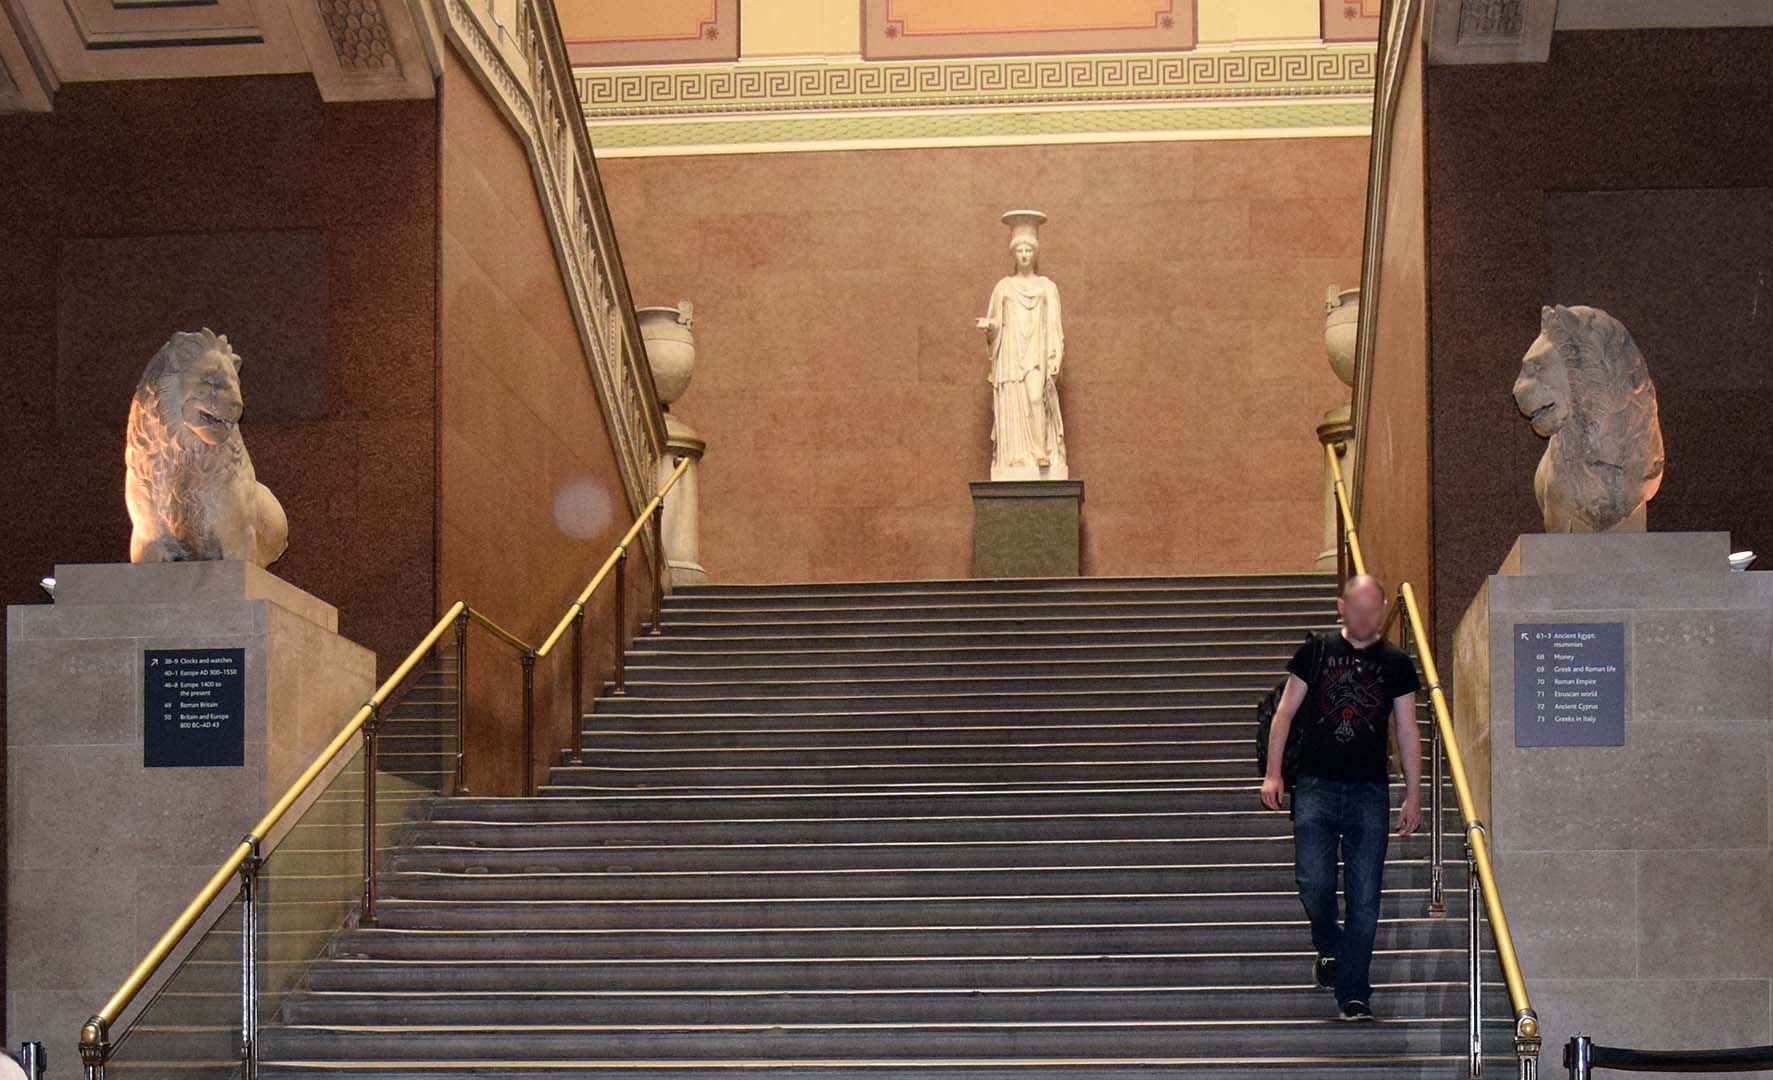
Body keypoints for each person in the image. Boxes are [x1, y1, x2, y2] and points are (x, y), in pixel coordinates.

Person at [1259, 573, 1422, 1021]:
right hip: (1316, 786)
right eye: (1358, 609)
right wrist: (1273, 773)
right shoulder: (1316, 652)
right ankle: (1330, 945)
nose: (1366, 618)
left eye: (1373, 610)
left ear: (1383, 609)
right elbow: (1284, 714)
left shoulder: (1396, 663)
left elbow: (1407, 729)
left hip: (1369, 791)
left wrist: (1414, 793)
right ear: (1341, 608)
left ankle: (1354, 993)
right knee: (1313, 884)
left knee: (1365, 898)